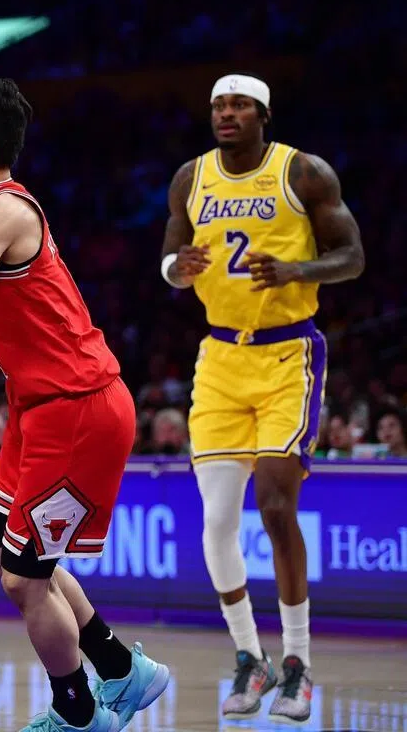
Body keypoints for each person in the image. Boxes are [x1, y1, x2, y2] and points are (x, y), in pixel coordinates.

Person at [0, 72, 169, 732]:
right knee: (2, 557)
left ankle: (78, 712)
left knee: (23, 579)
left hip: (79, 408)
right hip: (35, 407)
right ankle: (123, 669)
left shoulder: (5, 212)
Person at [160, 73, 364, 723]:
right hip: (220, 356)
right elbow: (169, 256)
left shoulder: (302, 172)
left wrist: (299, 269)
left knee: (276, 506)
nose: (227, 113)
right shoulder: (191, 178)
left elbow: (353, 255)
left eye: (240, 105)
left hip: (287, 353)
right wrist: (177, 269)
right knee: (216, 521)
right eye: (219, 105)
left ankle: (298, 663)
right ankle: (251, 658)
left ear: (263, 114)